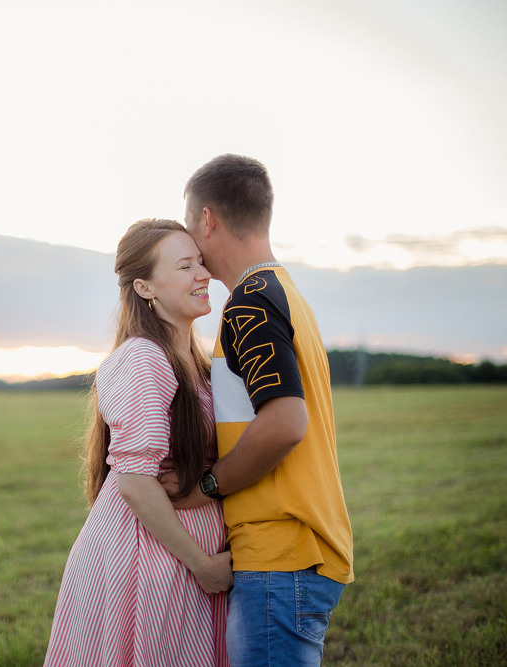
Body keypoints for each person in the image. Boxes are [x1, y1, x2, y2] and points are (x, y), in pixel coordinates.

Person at [162, 154, 354, 666]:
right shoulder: (283, 293)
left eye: (188, 226)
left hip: (281, 555)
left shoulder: (248, 302)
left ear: (207, 220)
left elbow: (286, 423)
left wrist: (204, 487)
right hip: (296, 554)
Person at [44, 219, 232, 666]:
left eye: (201, 263)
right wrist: (202, 567)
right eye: (185, 266)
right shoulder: (142, 358)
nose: (203, 275)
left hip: (181, 560)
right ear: (145, 288)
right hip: (151, 560)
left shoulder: (197, 362)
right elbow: (133, 480)